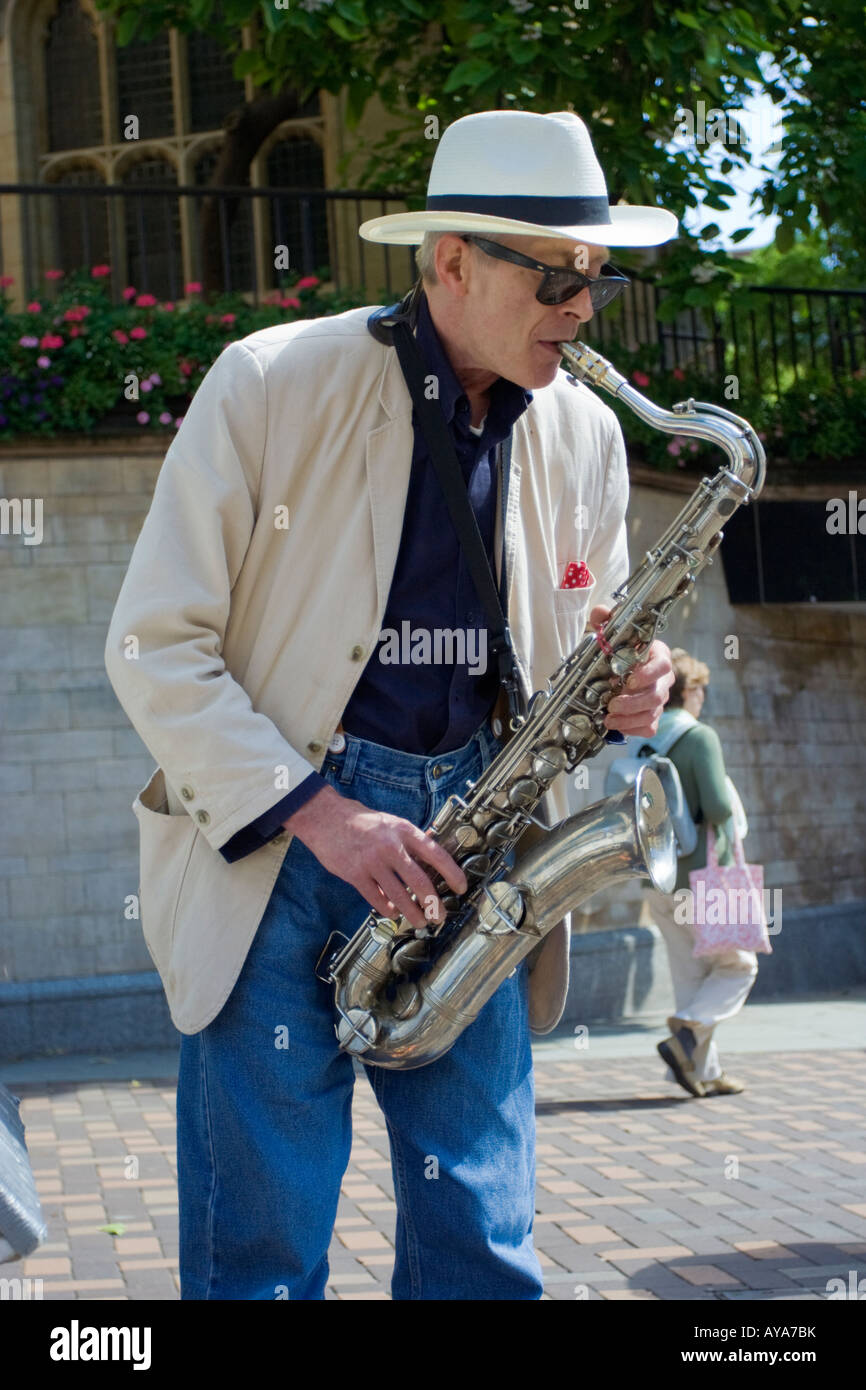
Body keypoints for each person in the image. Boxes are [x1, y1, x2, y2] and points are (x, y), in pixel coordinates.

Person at [104, 109, 677, 1301]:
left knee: (484, 1241)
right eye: (554, 276)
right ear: (449, 261)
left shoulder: (582, 431)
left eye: (595, 280)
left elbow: (595, 632)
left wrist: (635, 682)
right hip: (276, 853)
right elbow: (155, 646)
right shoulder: (269, 382)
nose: (580, 308)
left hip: (476, 852)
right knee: (260, 1253)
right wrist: (319, 814)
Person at [642, 648, 758, 1099]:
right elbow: (719, 807)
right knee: (737, 966)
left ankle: (701, 1072)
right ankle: (687, 1032)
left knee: (690, 973)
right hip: (706, 875)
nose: (704, 697)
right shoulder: (699, 737)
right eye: (701, 688)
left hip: (658, 878)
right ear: (686, 692)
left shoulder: (646, 740)